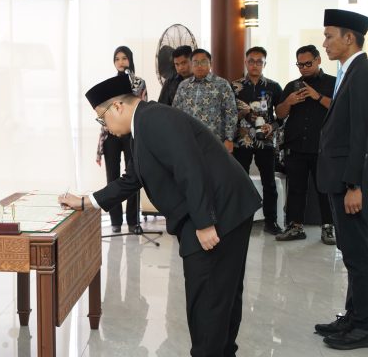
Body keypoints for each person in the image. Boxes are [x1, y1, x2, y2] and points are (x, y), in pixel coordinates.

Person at [60, 75, 261, 356]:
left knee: (209, 300)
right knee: (219, 296)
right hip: (218, 208)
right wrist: (87, 201)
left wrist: (205, 223)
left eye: (101, 118)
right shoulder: (143, 124)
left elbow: (189, 166)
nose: (104, 126)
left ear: (117, 106)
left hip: (217, 213)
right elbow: (132, 179)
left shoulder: (154, 119)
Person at [314, 9, 368, 350]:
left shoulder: (364, 74)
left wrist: (355, 185)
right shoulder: (349, 72)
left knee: (358, 255)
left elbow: (362, 135)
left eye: (329, 36)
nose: (324, 42)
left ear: (349, 38)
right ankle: (353, 317)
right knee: (350, 252)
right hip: (339, 178)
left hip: (349, 182)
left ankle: (365, 326)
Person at [274, 45, 335, 244]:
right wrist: (289, 102)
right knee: (296, 189)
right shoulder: (292, 85)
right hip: (296, 145)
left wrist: (318, 96)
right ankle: (295, 226)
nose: (304, 68)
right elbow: (279, 114)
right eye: (300, 65)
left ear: (318, 60)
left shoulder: (333, 83)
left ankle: (329, 227)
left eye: (308, 64)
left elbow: (339, 108)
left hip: (323, 146)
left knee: (324, 188)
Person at [232, 46, 284, 235]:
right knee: (240, 181)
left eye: (259, 61)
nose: (255, 65)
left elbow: (282, 115)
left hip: (265, 140)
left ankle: (271, 222)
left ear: (264, 64)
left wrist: (273, 126)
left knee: (269, 182)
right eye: (251, 61)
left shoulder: (274, 87)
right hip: (242, 140)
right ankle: (239, 221)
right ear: (245, 62)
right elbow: (228, 114)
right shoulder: (234, 86)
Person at [95, 46, 145, 233]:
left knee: (134, 175)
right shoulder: (110, 83)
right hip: (111, 135)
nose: (121, 62)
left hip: (131, 133)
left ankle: (133, 221)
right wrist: (99, 146)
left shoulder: (139, 82)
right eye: (117, 59)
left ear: (130, 59)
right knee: (112, 177)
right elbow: (105, 113)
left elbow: (142, 107)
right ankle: (115, 220)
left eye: (124, 58)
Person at [172, 48, 237, 152]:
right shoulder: (183, 85)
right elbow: (176, 112)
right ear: (191, 64)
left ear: (210, 64)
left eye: (203, 62)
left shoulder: (222, 84)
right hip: (189, 140)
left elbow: (231, 112)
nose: (199, 66)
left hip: (215, 140)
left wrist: (229, 139)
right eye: (195, 62)